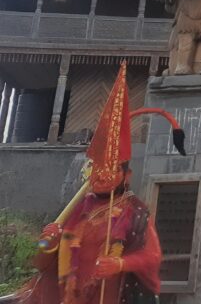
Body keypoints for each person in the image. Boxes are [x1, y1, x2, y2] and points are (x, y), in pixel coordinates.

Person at [20, 63, 163, 304]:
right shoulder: (78, 210)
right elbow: (40, 262)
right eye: (96, 168)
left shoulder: (135, 212)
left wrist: (120, 263)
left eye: (111, 169)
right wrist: (49, 243)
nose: (102, 175)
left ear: (126, 177)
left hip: (112, 295)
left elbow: (153, 256)